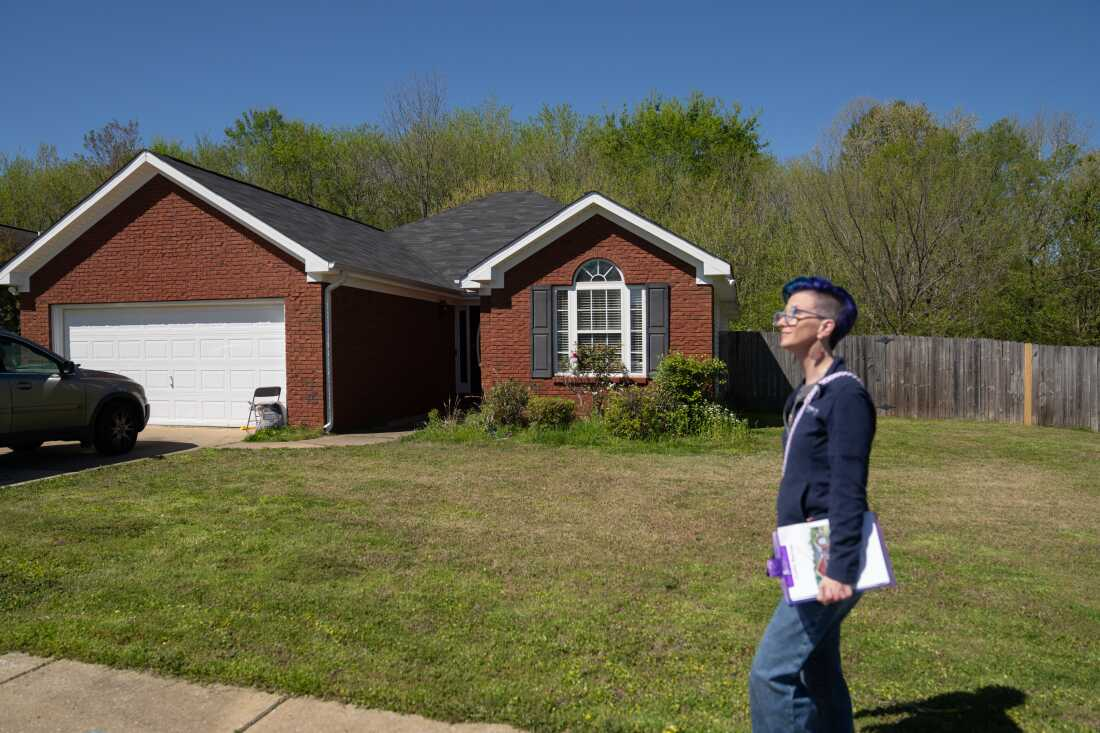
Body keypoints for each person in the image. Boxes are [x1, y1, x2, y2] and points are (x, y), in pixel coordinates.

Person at [748, 276, 877, 732]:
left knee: (770, 674)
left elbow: (848, 486)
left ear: (824, 327)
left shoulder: (845, 395)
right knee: (818, 670)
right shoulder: (806, 395)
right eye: (783, 313)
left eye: (794, 313)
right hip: (804, 548)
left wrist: (840, 567)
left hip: (828, 555)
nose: (783, 320)